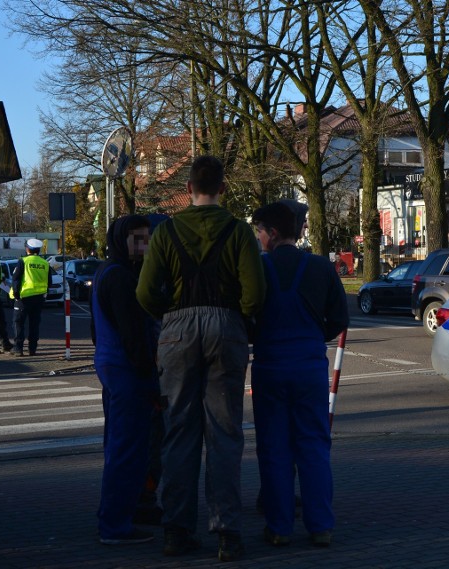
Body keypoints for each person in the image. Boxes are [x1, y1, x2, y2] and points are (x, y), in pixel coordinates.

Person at [136, 155, 266, 562]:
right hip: (225, 326)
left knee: (179, 432)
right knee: (224, 433)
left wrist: (169, 315)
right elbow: (255, 293)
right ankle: (227, 533)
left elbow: (144, 292)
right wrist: (239, 316)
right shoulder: (240, 232)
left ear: (188, 190)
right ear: (223, 189)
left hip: (176, 329)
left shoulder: (167, 231)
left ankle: (176, 530)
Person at [250, 201, 349, 548]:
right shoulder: (321, 268)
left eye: (260, 231)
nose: (259, 238)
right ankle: (320, 525)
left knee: (274, 448)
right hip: (308, 370)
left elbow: (245, 315)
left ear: (273, 233)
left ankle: (279, 527)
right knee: (313, 447)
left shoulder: (259, 269)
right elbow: (339, 320)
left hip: (268, 369)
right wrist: (312, 338)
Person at [91, 215, 161, 546]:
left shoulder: (105, 271)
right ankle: (116, 525)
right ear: (122, 239)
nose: (144, 246)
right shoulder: (121, 278)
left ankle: (113, 515)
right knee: (128, 450)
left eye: (147, 239)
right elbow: (134, 336)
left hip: (111, 366)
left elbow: (96, 330)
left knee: (118, 446)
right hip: (127, 372)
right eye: (138, 239)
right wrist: (149, 373)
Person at [10, 239, 50, 357]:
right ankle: (32, 349)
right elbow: (49, 282)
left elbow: (16, 279)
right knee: (34, 324)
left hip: (24, 297)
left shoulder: (23, 261)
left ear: (27, 249)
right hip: (38, 298)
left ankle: (18, 348)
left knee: (18, 323)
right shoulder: (45, 263)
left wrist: (16, 294)